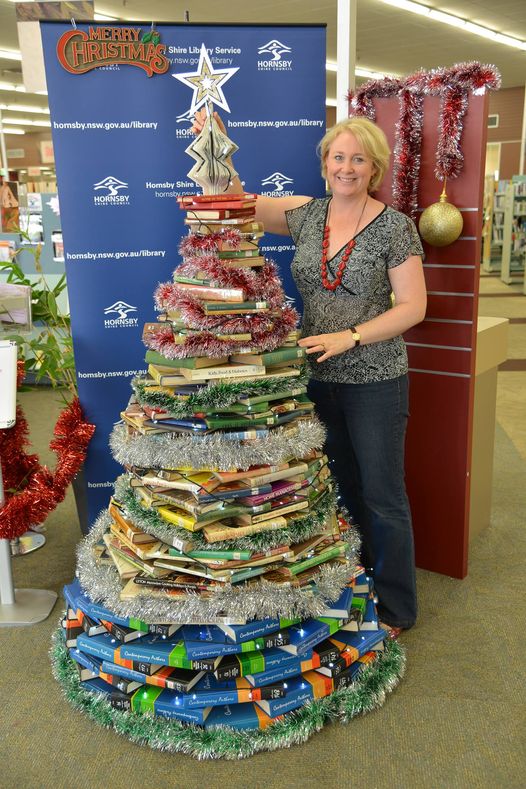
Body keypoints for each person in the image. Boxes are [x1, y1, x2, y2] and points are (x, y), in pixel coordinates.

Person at [192, 110, 427, 633]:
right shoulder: (304, 214)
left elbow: (414, 306)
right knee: (336, 485)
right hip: (316, 379)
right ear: (325, 163)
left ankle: (396, 608)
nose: (346, 167)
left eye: (358, 159)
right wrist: (215, 144)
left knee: (383, 494)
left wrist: (352, 335)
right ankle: (357, 584)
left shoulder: (394, 227)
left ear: (374, 168)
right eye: (338, 157)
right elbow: (238, 199)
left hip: (375, 379)